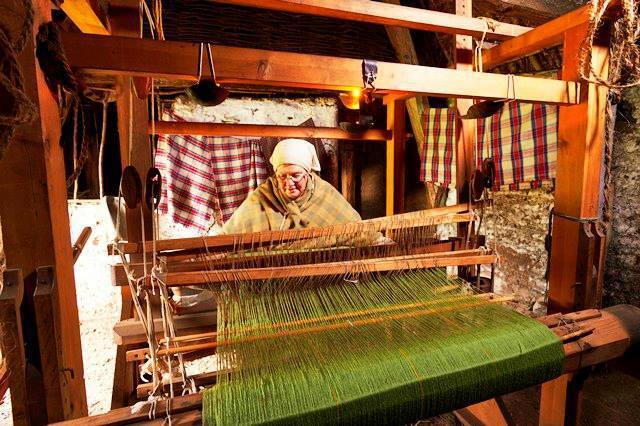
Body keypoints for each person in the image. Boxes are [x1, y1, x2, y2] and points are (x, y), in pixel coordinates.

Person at [222, 138, 362, 233]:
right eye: (282, 176)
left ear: (308, 174)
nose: (288, 183)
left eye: (295, 175)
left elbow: (358, 232)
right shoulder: (263, 197)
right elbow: (227, 238)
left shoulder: (325, 195)